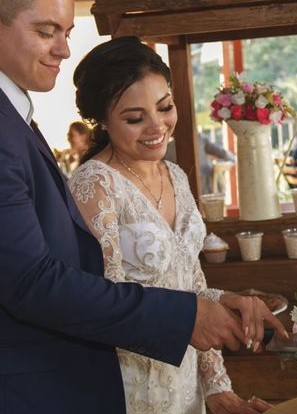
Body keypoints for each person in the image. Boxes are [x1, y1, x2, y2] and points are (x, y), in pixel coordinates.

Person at [0, 0, 283, 413]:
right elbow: (31, 282)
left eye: (66, 31)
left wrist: (213, 302)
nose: (64, 49)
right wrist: (183, 318)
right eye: (46, 31)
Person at [68, 37, 279, 414]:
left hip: (186, 387)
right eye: (135, 118)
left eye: (164, 107)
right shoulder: (94, 186)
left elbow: (191, 284)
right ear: (102, 119)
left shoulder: (176, 176)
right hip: (132, 391)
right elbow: (101, 305)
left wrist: (216, 387)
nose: (156, 126)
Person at [165, 133, 235, 194]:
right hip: (207, 188)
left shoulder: (167, 148)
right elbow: (222, 153)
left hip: (181, 190)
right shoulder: (199, 138)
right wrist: (234, 158)